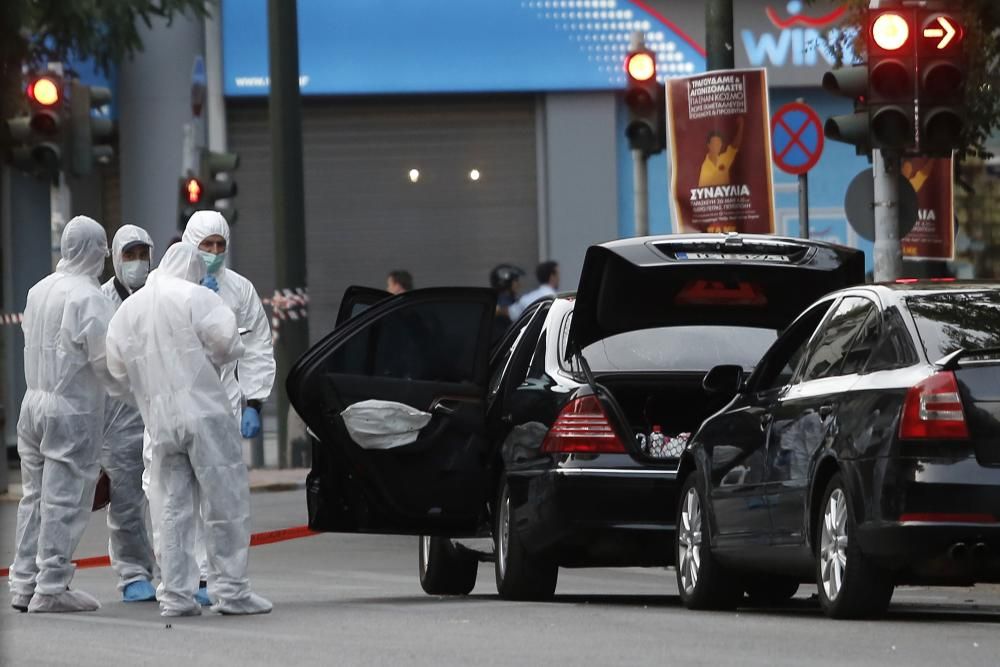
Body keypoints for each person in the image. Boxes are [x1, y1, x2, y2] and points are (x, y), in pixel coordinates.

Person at [106, 243, 272, 617]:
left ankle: (176, 595)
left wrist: (145, 394)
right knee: (224, 502)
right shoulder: (196, 295)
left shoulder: (130, 308)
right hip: (205, 412)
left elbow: (114, 370)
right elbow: (229, 345)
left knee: (172, 507)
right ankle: (231, 591)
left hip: (161, 419)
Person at [9, 216, 116, 613]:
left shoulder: (39, 291)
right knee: (63, 500)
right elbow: (107, 362)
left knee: (34, 498)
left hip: (33, 402)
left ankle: (23, 584)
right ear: (94, 250)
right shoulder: (89, 298)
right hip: (71, 409)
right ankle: (51, 586)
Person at [181, 210, 275, 605]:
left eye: (220, 246)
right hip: (181, 407)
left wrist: (253, 402)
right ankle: (189, 580)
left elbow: (256, 347)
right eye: (207, 246)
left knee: (225, 499)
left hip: (223, 409)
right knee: (179, 499)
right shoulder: (170, 289)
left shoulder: (240, 290)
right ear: (191, 245)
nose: (215, 253)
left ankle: (226, 582)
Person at [99, 225, 159, 602]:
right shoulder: (100, 301)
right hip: (117, 417)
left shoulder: (159, 295)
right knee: (125, 501)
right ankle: (133, 573)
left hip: (159, 410)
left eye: (142, 254)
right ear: (116, 257)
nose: (137, 263)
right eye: (129, 255)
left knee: (172, 497)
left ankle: (183, 572)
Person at [698, 116, 744, 188]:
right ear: (709, 145)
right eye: (714, 143)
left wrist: (741, 126)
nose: (716, 146)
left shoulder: (725, 158)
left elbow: (735, 146)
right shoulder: (704, 166)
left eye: (719, 143)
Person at [489, 263, 524, 343]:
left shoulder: (507, 300)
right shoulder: (503, 302)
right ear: (505, 282)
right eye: (516, 281)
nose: (519, 284)